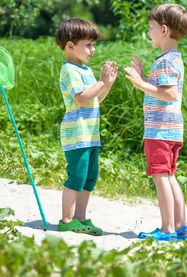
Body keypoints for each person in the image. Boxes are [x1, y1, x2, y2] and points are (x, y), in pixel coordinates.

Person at [124, 3, 187, 241]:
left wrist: (142, 84)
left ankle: (167, 229)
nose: (148, 32)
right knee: (170, 175)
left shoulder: (165, 61)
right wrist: (144, 78)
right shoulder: (173, 58)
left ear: (164, 30)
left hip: (160, 130)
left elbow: (169, 93)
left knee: (160, 176)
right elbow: (161, 89)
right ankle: (181, 226)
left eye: (150, 27)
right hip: (171, 130)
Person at [55, 17, 117, 235]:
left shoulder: (87, 71)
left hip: (90, 135)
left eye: (94, 45)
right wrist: (100, 81)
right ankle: (67, 219)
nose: (92, 50)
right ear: (70, 46)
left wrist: (106, 84)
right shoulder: (69, 70)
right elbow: (81, 98)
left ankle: (80, 218)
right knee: (76, 176)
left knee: (89, 177)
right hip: (76, 134)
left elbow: (95, 100)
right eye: (88, 45)